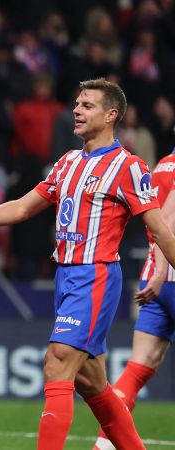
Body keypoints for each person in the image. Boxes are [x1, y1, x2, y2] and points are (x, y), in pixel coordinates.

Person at [0, 78, 175, 450]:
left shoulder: (128, 167)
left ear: (111, 114)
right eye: (77, 104)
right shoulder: (67, 162)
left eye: (87, 105)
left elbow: (160, 231)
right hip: (65, 277)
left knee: (57, 362)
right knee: (91, 382)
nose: (77, 111)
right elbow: (21, 207)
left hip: (95, 275)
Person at [92, 146, 175, 450]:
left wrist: (156, 273)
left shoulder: (164, 165)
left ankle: (104, 445)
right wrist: (163, 272)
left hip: (154, 273)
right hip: (168, 271)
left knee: (139, 365)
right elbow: (167, 219)